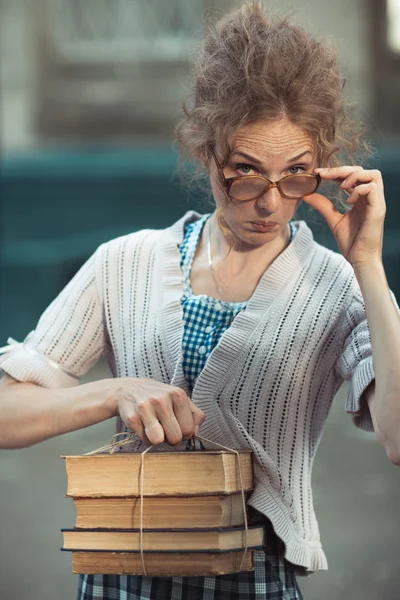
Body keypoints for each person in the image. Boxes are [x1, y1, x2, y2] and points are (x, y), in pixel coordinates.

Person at [1, 2, 400, 599]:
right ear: (206, 154)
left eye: (295, 174)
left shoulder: (335, 287)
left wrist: (368, 265)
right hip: (121, 577)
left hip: (254, 581)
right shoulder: (125, 263)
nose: (268, 203)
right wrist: (114, 391)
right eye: (244, 171)